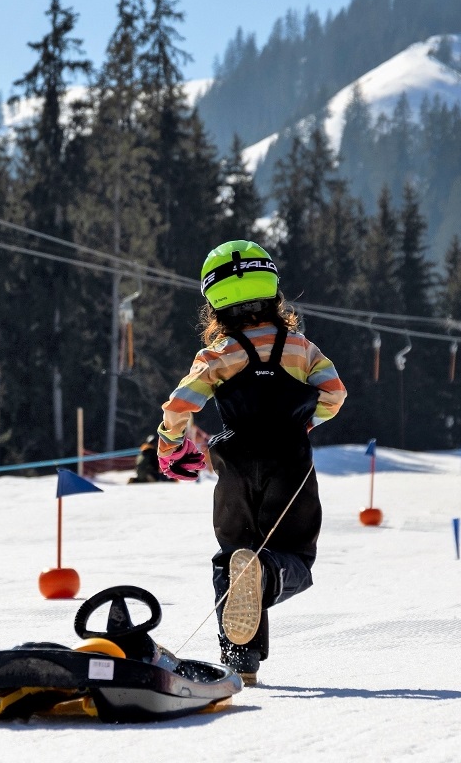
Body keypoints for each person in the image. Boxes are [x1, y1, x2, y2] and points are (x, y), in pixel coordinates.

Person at [155, 240, 347, 685]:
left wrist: (171, 447)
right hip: (290, 462)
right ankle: (270, 575)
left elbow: (180, 404)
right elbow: (335, 394)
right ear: (273, 292)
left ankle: (240, 658)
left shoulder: (217, 354)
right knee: (294, 553)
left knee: (233, 556)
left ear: (214, 305)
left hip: (235, 463)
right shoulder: (302, 348)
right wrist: (305, 422)